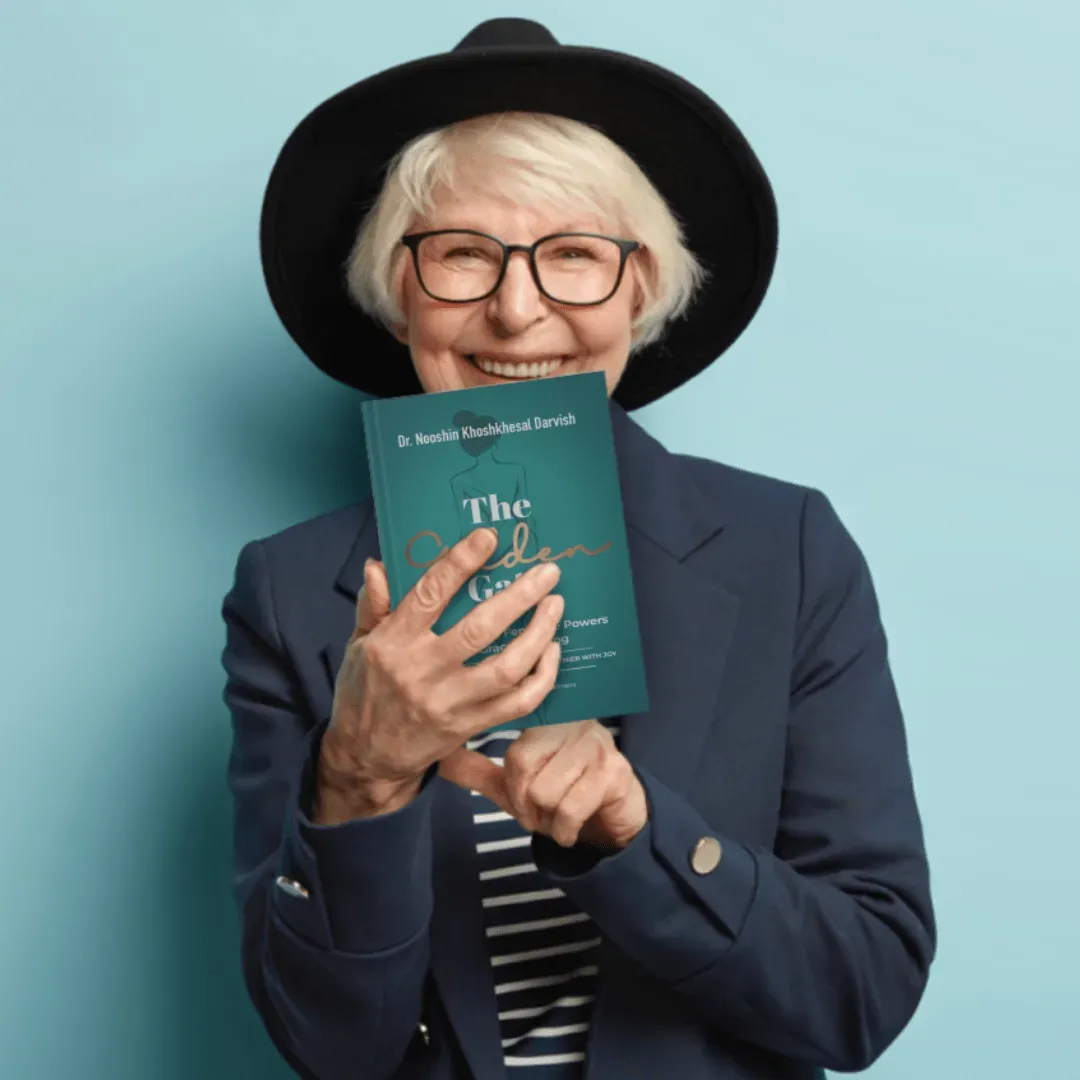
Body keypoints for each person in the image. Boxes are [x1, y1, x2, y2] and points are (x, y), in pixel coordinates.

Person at [221, 17, 935, 1080]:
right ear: (395, 292)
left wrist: (635, 836)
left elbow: (860, 999)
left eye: (572, 257)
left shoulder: (787, 552)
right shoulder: (288, 593)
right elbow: (332, 1049)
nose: (519, 313)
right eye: (461, 254)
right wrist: (359, 778)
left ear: (639, 291)